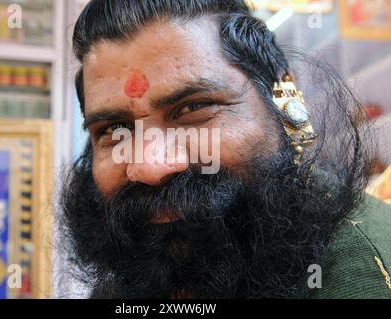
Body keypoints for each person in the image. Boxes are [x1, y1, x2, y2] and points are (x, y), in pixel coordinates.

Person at [60, 0, 391, 299]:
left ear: (282, 100)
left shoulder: (367, 274)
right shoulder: (145, 264)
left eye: (193, 108)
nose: (149, 166)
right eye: (113, 130)